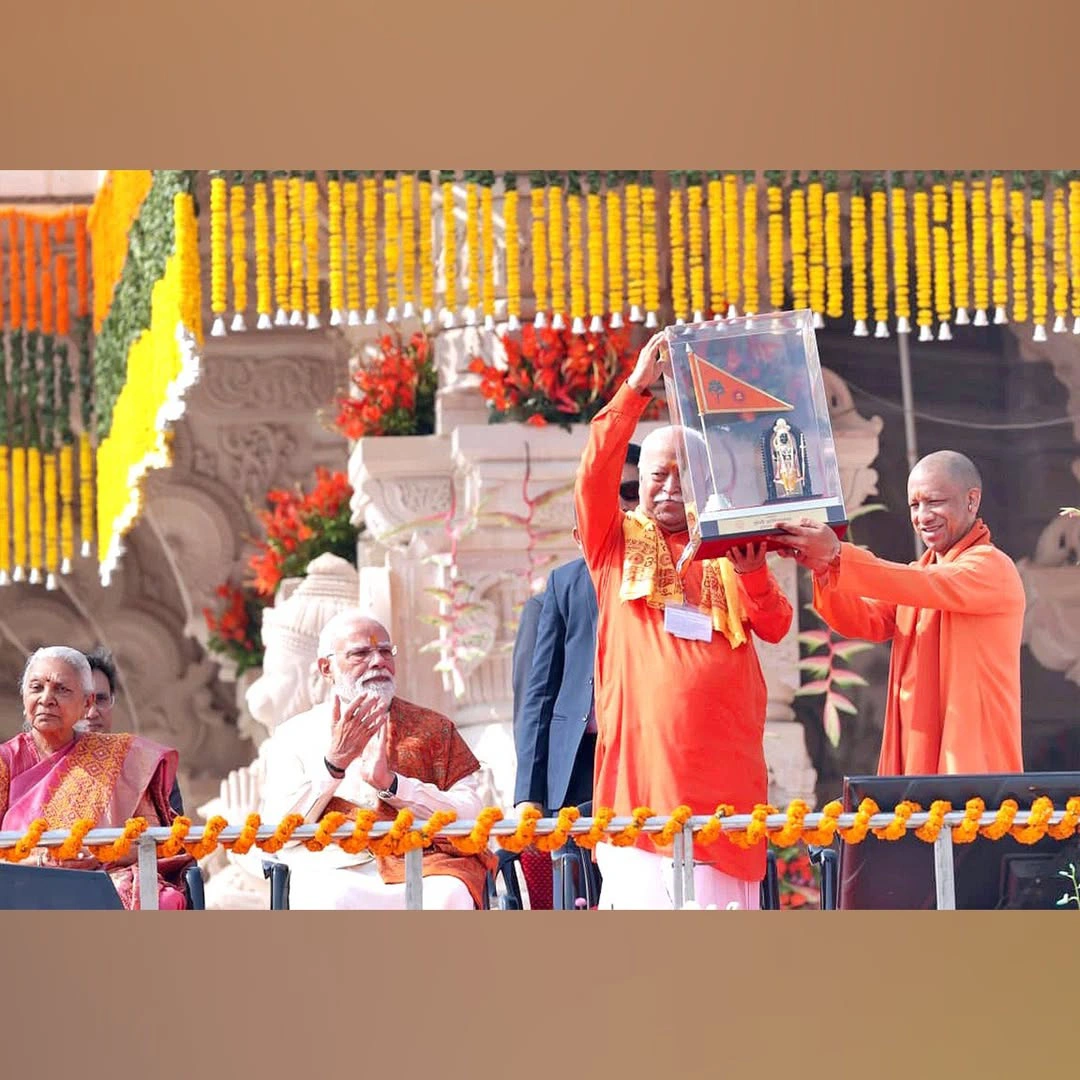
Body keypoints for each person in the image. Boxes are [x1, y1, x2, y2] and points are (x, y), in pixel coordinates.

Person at [575, 331, 793, 909]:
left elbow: (773, 626)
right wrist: (635, 389)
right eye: (657, 476)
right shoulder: (614, 542)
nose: (670, 488)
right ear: (639, 481)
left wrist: (751, 574)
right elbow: (592, 474)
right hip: (644, 781)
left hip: (727, 778)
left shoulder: (731, 544)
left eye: (683, 475)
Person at [773, 449, 1025, 775]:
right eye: (914, 505)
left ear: (971, 501)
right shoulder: (920, 577)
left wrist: (837, 553)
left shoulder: (991, 568)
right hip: (916, 749)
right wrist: (823, 568)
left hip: (972, 753)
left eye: (934, 502)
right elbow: (863, 620)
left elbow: (924, 584)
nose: (923, 516)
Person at [260, 610, 495, 909]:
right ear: (326, 667)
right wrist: (333, 764)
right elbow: (277, 830)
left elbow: (471, 815)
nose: (378, 661)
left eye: (385, 651)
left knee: (449, 893)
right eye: (360, 653)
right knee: (329, 899)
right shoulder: (293, 734)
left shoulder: (434, 728)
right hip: (334, 867)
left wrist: (394, 785)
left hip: (421, 863)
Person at [0, 646, 191, 909]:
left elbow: (152, 842)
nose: (47, 698)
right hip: (21, 877)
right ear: (23, 697)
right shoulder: (5, 761)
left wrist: (95, 854)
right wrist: (45, 862)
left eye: (61, 689)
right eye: (36, 688)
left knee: (165, 899)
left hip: (102, 873)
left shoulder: (125, 757)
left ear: (87, 704)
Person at [79, 646, 186, 816]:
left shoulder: (152, 769)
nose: (92, 713)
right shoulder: (42, 770)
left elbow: (174, 837)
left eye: (101, 699)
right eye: (83, 701)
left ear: (112, 702)